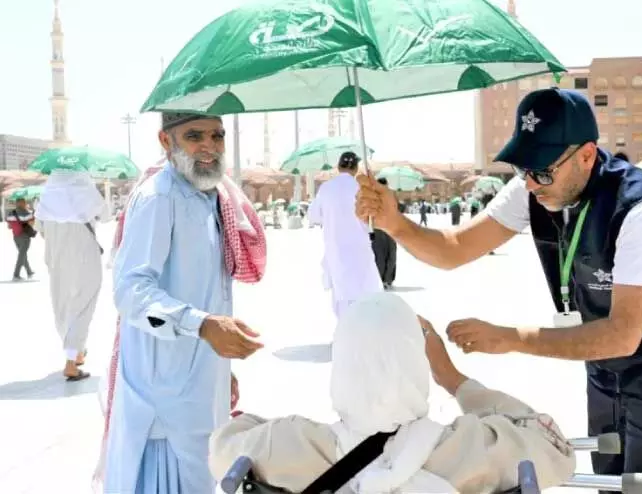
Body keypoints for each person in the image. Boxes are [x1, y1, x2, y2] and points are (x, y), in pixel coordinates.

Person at [356, 88, 642, 494]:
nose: (530, 183)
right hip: (603, 364)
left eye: (542, 171)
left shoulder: (641, 209)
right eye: (522, 167)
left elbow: (622, 334)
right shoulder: (534, 187)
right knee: (613, 477)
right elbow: (454, 248)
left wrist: (510, 338)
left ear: (586, 155)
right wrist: (396, 224)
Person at [208, 292, 576, 493]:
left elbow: (222, 446)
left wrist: (270, 428)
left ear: (342, 371)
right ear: (417, 366)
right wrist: (453, 379)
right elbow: (554, 444)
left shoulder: (285, 444)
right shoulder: (477, 449)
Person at [97, 112, 266, 494]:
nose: (209, 146)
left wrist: (218, 365)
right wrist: (202, 325)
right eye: (194, 136)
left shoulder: (210, 198)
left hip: (198, 390)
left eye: (217, 136)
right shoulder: (160, 197)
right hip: (163, 401)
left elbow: (202, 291)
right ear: (166, 141)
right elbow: (131, 290)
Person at [35, 170, 107, 381]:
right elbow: (106, 215)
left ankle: (77, 351)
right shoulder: (86, 191)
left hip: (57, 260)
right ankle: (71, 361)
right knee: (83, 307)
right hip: (85, 258)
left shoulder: (47, 196)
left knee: (62, 306)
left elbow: (40, 228)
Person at [308, 151, 382, 319]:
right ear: (356, 168)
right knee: (365, 292)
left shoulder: (326, 188)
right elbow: (374, 218)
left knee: (342, 296)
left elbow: (314, 216)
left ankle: (345, 329)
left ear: (338, 167)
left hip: (336, 249)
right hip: (360, 248)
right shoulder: (362, 188)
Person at [371, 177, 398, 289]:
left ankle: (382, 279)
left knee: (380, 255)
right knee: (390, 254)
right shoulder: (391, 196)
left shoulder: (373, 197)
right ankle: (387, 279)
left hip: (378, 228)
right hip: (389, 228)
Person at [6, 197, 35, 281]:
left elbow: (9, 226)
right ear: (22, 203)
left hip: (15, 237)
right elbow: (32, 224)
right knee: (21, 255)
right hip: (25, 237)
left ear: (16, 203)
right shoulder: (26, 213)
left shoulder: (11, 213)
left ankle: (29, 272)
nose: (25, 204)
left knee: (22, 254)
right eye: (24, 202)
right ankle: (16, 275)